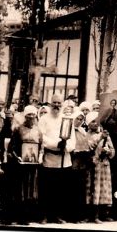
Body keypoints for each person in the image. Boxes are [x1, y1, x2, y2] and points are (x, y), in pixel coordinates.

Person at [38, 92, 77, 224]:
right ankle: (44, 215)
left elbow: (72, 139)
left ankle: (57, 215)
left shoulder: (67, 119)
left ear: (62, 104)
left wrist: (66, 146)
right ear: (50, 103)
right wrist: (56, 144)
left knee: (60, 190)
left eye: (59, 103)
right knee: (46, 189)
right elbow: (41, 137)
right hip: (49, 158)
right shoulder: (44, 119)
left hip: (63, 159)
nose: (56, 105)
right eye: (54, 102)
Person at [7, 105, 42, 225]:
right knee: (19, 189)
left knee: (30, 189)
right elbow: (12, 147)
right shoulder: (18, 129)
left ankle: (27, 216)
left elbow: (41, 146)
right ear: (25, 116)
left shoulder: (38, 130)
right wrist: (18, 158)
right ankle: (16, 215)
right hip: (20, 164)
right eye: (28, 115)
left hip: (33, 165)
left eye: (33, 115)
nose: (31, 117)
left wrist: (40, 157)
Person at [86, 112, 115, 223]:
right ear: (88, 123)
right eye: (92, 121)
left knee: (104, 190)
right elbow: (90, 146)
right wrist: (100, 138)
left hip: (104, 165)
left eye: (96, 121)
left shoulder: (105, 134)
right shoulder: (86, 134)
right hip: (93, 165)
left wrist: (108, 152)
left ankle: (104, 213)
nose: (95, 124)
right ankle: (93, 215)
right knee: (93, 190)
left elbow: (113, 151)